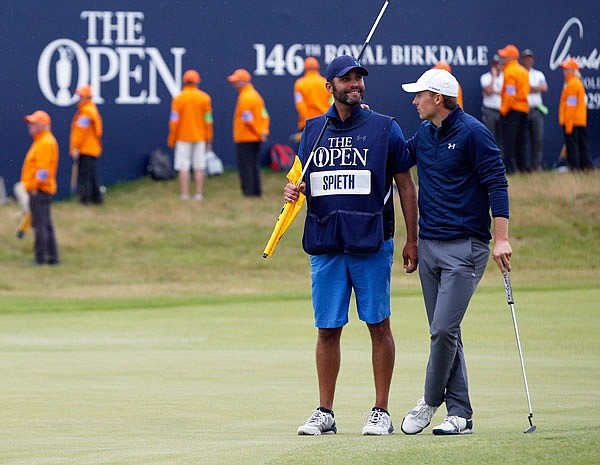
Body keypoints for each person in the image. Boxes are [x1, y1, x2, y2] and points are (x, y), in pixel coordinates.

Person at [285, 55, 419, 436]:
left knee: (378, 324)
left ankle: (381, 411)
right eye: (346, 79)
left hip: (371, 242)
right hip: (327, 242)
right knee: (327, 329)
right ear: (329, 87)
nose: (355, 84)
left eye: (359, 78)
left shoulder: (385, 128)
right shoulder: (313, 131)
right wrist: (293, 190)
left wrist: (413, 239)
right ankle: (324, 411)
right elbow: (301, 183)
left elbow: (405, 186)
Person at [399, 69, 511, 435]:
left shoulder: (474, 133)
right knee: (446, 331)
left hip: (466, 246)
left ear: (437, 98)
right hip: (430, 245)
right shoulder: (425, 134)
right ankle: (460, 414)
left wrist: (502, 238)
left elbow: (497, 183)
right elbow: (399, 157)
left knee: (443, 330)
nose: (414, 101)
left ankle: (430, 401)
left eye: (419, 95)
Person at [20, 110, 60, 265]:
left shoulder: (45, 143)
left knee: (40, 225)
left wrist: (35, 187)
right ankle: (52, 257)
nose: (30, 126)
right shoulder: (42, 141)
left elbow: (43, 171)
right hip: (41, 189)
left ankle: (40, 258)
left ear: (43, 126)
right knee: (45, 224)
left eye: (34, 123)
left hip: (40, 190)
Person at [167, 69, 214, 201]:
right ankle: (198, 194)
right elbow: (208, 120)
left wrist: (172, 138)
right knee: (199, 166)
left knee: (183, 166)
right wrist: (208, 138)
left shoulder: (178, 98)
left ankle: (185, 194)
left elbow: (174, 121)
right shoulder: (204, 98)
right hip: (199, 137)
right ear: (197, 82)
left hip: (183, 137)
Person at [227, 68, 270, 197]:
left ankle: (249, 193)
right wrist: (263, 131)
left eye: (236, 81)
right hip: (256, 137)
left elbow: (248, 120)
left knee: (246, 167)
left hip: (246, 137)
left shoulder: (245, 97)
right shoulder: (256, 95)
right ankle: (256, 191)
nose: (233, 84)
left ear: (243, 82)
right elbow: (265, 115)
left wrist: (258, 133)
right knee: (254, 166)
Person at [498, 44, 530, 173]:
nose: (502, 58)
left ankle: (510, 168)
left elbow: (510, 94)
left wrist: (503, 110)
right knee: (521, 141)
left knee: (509, 142)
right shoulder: (523, 71)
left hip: (512, 110)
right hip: (524, 110)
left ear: (511, 57)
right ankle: (522, 167)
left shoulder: (510, 71)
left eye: (504, 56)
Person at [70, 84, 103, 204]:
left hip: (86, 149)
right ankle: (97, 199)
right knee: (91, 176)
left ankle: (85, 200)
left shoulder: (86, 112)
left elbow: (80, 132)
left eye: (81, 96)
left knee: (85, 176)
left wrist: (75, 148)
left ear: (87, 97)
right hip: (91, 149)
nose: (79, 98)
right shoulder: (91, 110)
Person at [558, 58, 594, 171]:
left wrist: (568, 124)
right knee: (581, 144)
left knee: (573, 146)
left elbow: (571, 106)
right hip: (578, 120)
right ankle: (586, 167)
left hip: (572, 121)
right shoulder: (574, 82)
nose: (564, 72)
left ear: (573, 70)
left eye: (567, 69)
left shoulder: (572, 84)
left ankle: (575, 168)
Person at [520, 49, 548, 171]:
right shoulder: (519, 73)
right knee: (523, 140)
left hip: (536, 110)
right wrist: (533, 88)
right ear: (522, 60)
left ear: (533, 60)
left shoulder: (538, 74)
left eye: (529, 58)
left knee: (537, 139)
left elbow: (544, 87)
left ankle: (536, 166)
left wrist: (528, 87)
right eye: (525, 58)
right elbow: (519, 90)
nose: (528, 60)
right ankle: (525, 167)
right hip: (523, 110)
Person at [293, 57, 332, 133]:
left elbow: (300, 105)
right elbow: (331, 102)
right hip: (325, 122)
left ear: (305, 67)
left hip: (308, 124)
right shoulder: (325, 82)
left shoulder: (300, 84)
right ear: (317, 67)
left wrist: (306, 120)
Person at [480, 54, 504, 149]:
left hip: (503, 111)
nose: (497, 66)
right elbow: (489, 90)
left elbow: (510, 93)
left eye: (498, 64)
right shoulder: (486, 77)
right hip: (489, 111)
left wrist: (495, 92)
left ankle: (503, 161)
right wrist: (493, 77)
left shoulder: (505, 76)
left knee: (503, 139)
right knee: (489, 137)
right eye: (495, 64)